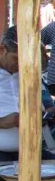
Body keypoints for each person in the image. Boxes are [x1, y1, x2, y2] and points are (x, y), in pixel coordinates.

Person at [0, 27, 19, 162]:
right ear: (2, 50)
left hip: (30, 151)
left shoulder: (27, 74)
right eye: (16, 58)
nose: (20, 64)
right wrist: (3, 122)